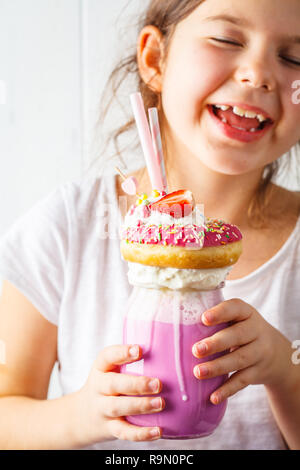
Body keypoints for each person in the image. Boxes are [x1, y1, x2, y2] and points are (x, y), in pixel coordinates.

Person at [0, 0, 300, 450]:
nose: (257, 73)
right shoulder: (69, 229)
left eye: (294, 57)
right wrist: (81, 415)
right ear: (155, 59)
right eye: (226, 39)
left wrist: (285, 373)